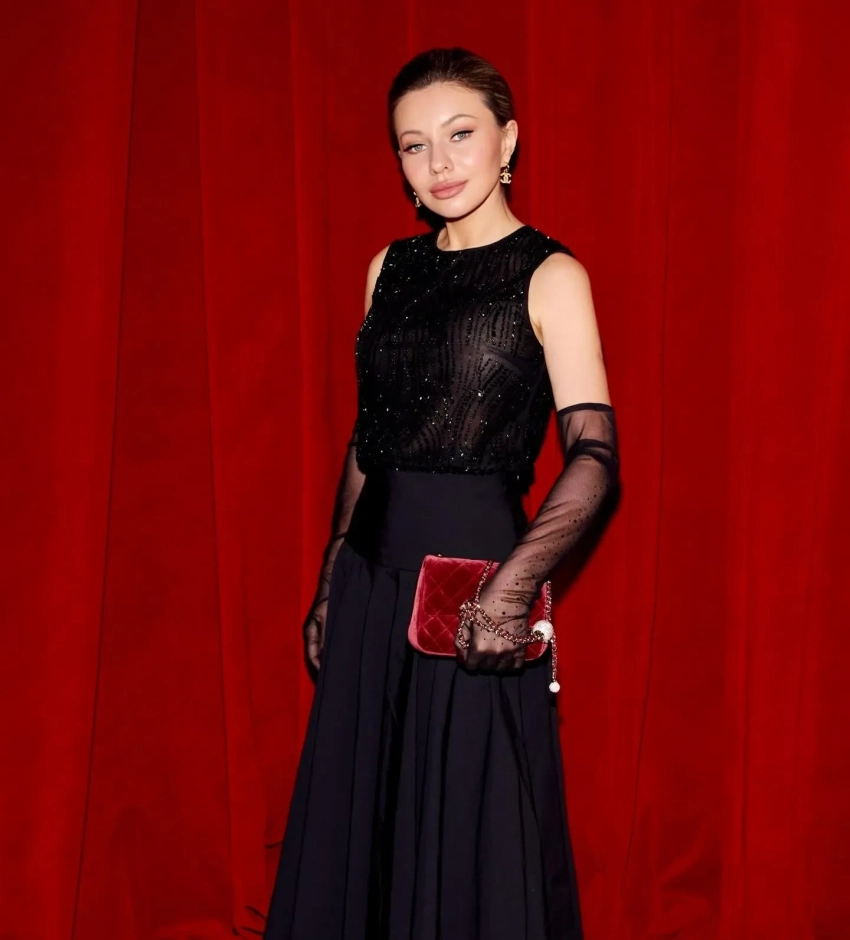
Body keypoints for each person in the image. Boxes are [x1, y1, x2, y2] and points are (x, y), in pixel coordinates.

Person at [265, 46, 619, 940]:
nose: (439, 162)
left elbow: (594, 456)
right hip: (373, 580)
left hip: (469, 591)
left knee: (471, 828)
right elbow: (371, 437)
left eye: (460, 134)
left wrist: (512, 588)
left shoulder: (552, 275)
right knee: (368, 818)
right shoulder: (388, 267)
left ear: (509, 139)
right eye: (414, 145)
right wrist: (332, 573)